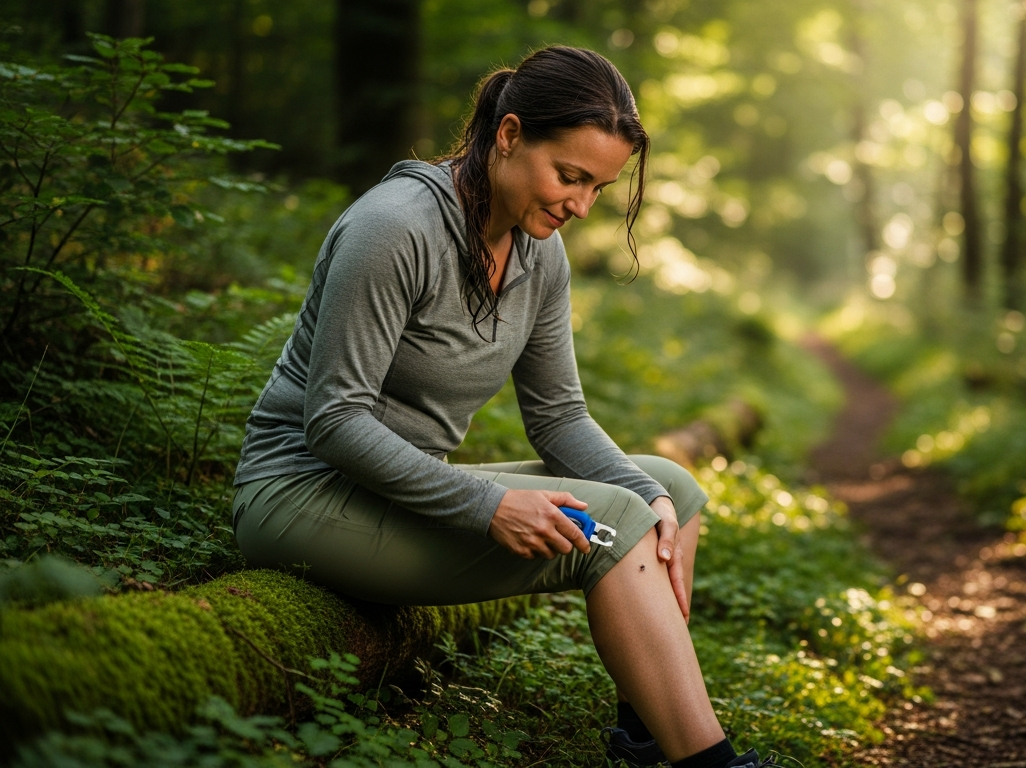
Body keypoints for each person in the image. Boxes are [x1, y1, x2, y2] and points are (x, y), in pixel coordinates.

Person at [230, 46, 775, 768]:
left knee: (670, 488)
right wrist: (487, 506)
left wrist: (647, 495)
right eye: (570, 176)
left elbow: (558, 417)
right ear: (509, 135)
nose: (580, 206)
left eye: (598, 189)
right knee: (616, 521)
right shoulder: (394, 228)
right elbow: (333, 421)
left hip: (395, 494)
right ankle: (705, 763)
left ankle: (647, 736)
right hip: (300, 495)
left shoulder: (539, 255)